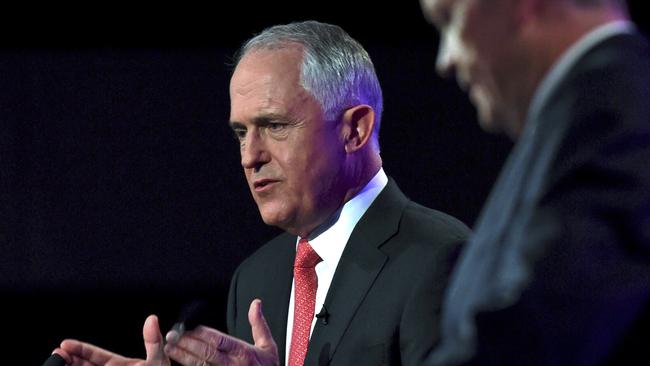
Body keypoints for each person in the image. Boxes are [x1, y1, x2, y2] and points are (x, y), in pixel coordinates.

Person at [52, 20, 469, 366]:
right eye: (240, 133)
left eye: (275, 126)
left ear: (354, 130)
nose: (249, 156)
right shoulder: (255, 280)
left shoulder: (442, 260)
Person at [418, 0, 650, 365]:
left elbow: (535, 334)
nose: (446, 60)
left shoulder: (615, 113)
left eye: (450, 19)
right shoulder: (582, 118)